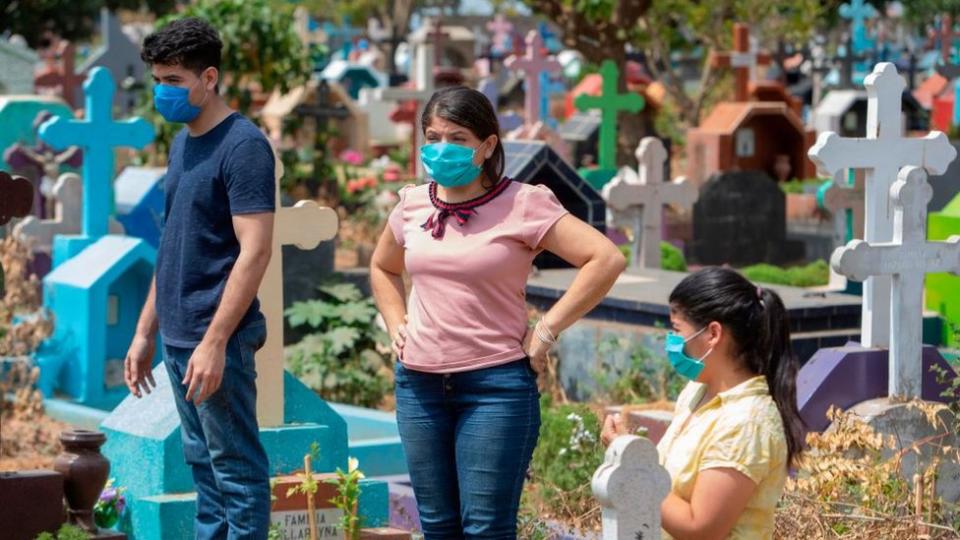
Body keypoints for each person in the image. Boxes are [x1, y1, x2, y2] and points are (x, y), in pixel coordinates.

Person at [370, 86, 626, 538]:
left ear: (488, 146)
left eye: (458, 138)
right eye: (433, 137)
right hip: (418, 387)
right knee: (437, 526)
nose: (442, 148)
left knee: (486, 528)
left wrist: (546, 330)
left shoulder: (524, 203)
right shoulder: (412, 203)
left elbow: (605, 259)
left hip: (495, 387)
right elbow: (382, 266)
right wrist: (397, 323)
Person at [123, 17, 276, 539]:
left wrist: (215, 341)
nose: (162, 92)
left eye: (173, 81)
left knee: (236, 474)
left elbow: (255, 252)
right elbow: (174, 246)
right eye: (157, 80)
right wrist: (146, 330)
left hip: (218, 341)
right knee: (205, 475)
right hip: (178, 336)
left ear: (208, 78)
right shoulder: (183, 143)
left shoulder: (243, 146)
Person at [602, 267, 806, 539]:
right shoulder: (697, 392)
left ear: (713, 333)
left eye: (677, 330)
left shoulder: (747, 423)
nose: (671, 341)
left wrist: (631, 466)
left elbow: (701, 527)